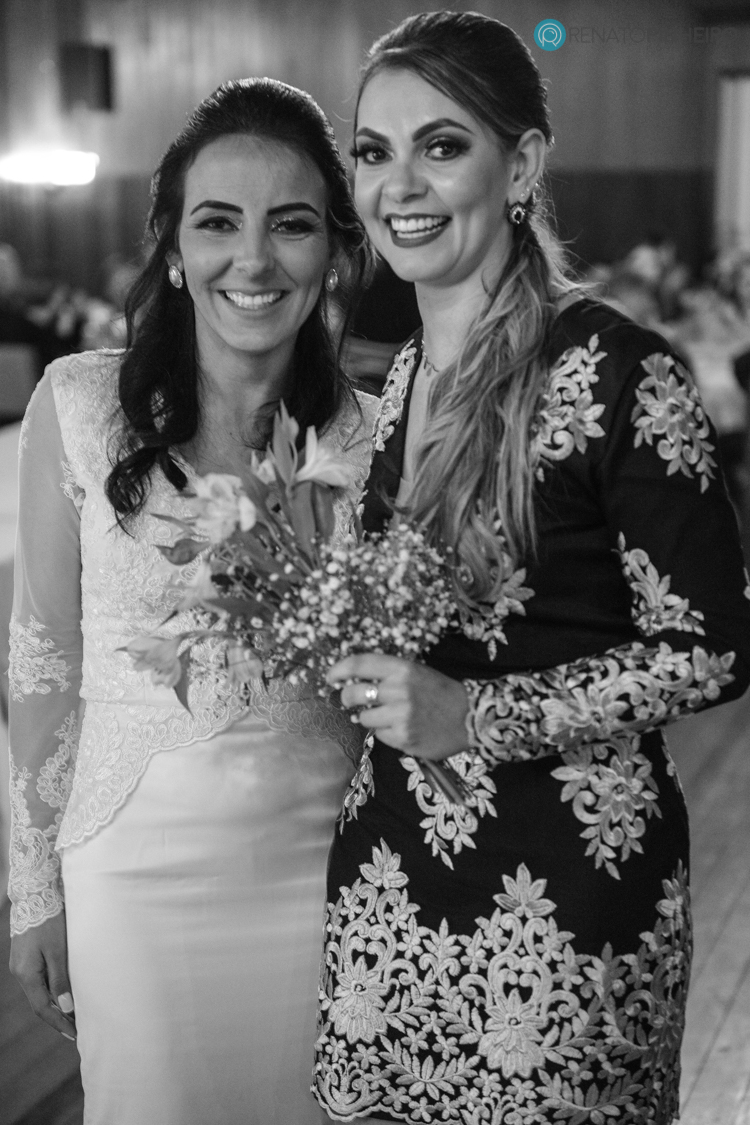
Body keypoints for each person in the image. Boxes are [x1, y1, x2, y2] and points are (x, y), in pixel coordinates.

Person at [312, 13, 750, 1124]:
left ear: (522, 166)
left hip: (563, 900)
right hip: (391, 879)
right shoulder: (404, 373)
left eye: (442, 145)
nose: (400, 185)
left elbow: (712, 648)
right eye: (374, 152)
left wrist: (476, 714)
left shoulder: (618, 370)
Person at [8, 77, 377, 1125]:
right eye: (218, 223)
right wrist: (32, 892)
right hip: (130, 873)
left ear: (333, 252)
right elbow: (40, 660)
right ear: (173, 247)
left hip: (332, 870)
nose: (252, 260)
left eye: (291, 225)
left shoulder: (376, 438)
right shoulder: (79, 405)